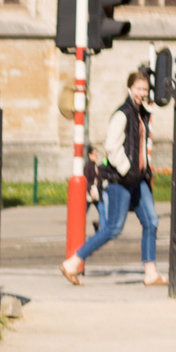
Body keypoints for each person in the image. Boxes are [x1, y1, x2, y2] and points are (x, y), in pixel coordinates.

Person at [61, 64, 164, 288]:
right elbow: (110, 145)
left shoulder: (141, 113)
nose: (142, 93)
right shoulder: (123, 113)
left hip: (138, 179)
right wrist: (127, 169)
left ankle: (151, 273)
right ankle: (72, 263)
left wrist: (142, 170)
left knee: (151, 221)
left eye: (145, 89)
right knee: (112, 228)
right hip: (121, 180)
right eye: (138, 88)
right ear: (129, 88)